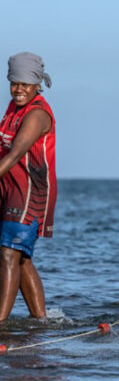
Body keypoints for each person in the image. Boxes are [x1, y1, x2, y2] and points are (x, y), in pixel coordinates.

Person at [0, 52, 56, 321]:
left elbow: (13, 156)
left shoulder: (36, 114)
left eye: (24, 83)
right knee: (21, 258)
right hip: (8, 187)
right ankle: (41, 321)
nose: (18, 89)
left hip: (30, 192)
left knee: (9, 253)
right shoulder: (13, 108)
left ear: (37, 85)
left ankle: (1, 323)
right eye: (14, 82)